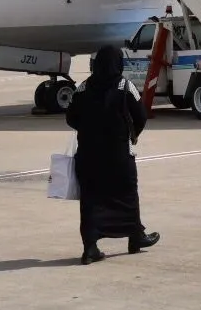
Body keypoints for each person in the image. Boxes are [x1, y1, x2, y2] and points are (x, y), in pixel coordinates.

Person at [65, 45, 160, 265]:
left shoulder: (83, 87)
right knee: (127, 194)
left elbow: (71, 117)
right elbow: (141, 115)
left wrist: (88, 130)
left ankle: (90, 248)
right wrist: (131, 134)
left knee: (91, 199)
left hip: (89, 156)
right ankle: (135, 237)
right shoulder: (125, 86)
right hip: (118, 155)